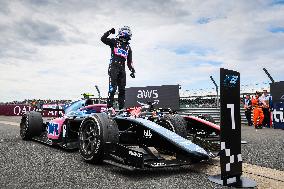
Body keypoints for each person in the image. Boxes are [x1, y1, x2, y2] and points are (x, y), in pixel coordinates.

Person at [101, 26, 135, 110]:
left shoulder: (128, 48)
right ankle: (109, 107)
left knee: (122, 90)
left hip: (122, 69)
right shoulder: (114, 42)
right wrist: (109, 31)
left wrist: (132, 70)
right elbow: (103, 39)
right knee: (113, 88)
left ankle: (121, 108)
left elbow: (129, 62)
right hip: (113, 67)